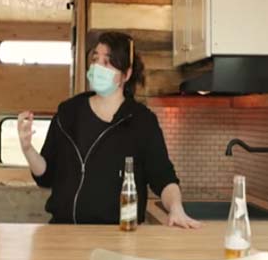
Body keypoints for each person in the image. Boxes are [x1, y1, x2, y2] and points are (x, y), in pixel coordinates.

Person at [19, 31, 201, 228]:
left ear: (126, 74)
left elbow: (164, 178)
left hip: (119, 235)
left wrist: (176, 207)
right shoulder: (68, 112)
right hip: (64, 232)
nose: (97, 66)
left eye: (107, 62)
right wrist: (28, 149)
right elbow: (46, 176)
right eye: (95, 59)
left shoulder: (142, 121)